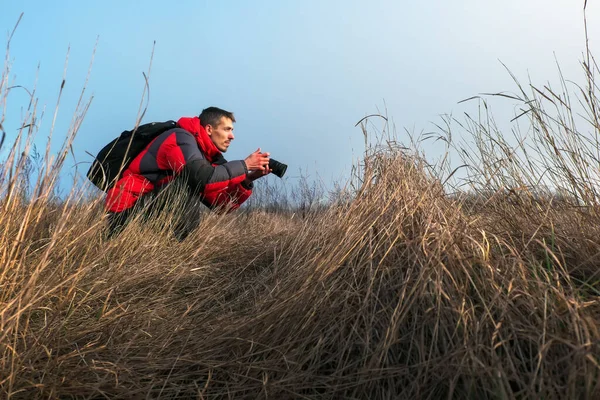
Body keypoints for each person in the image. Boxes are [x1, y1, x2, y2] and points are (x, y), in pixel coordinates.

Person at [105, 106, 271, 239]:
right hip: (123, 217)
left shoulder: (204, 156)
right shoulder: (180, 139)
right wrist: (245, 164)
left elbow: (220, 206)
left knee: (191, 182)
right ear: (209, 129)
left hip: (144, 212)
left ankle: (175, 250)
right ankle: (177, 245)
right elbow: (203, 178)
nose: (232, 136)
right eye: (227, 129)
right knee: (187, 184)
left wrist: (247, 179)